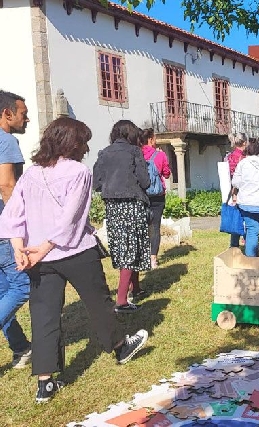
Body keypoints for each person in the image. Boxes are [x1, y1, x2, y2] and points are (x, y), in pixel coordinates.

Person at [0, 117, 147, 403]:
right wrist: (40, 249)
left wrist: (20, 248)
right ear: (72, 143)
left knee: (43, 316)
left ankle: (45, 383)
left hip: (38, 257)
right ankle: (120, 348)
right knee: (98, 303)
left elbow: (12, 215)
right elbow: (71, 218)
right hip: (75, 251)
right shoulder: (78, 172)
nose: (87, 147)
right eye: (83, 141)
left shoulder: (31, 174)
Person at [93, 120, 151, 313]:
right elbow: (145, 181)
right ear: (131, 134)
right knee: (133, 248)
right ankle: (121, 301)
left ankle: (137, 288)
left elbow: (96, 183)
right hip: (132, 203)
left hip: (112, 206)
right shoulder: (135, 152)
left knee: (124, 247)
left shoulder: (103, 153)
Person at [0, 90, 32, 369]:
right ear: (7, 114)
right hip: (3, 231)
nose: (27, 118)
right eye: (23, 113)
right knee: (23, 287)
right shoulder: (6, 140)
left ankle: (21, 348)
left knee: (2, 293)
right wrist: (19, 227)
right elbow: (7, 185)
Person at [141, 128, 172, 269]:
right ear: (151, 139)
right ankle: (153, 258)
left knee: (141, 226)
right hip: (157, 196)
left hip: (141, 196)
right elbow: (166, 174)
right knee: (155, 227)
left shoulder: (136, 154)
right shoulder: (159, 155)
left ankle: (142, 256)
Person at [226, 133, 248, 248]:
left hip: (231, 189)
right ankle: (247, 241)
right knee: (248, 216)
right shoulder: (244, 157)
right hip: (243, 189)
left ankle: (234, 244)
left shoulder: (229, 156)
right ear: (244, 142)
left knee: (236, 217)